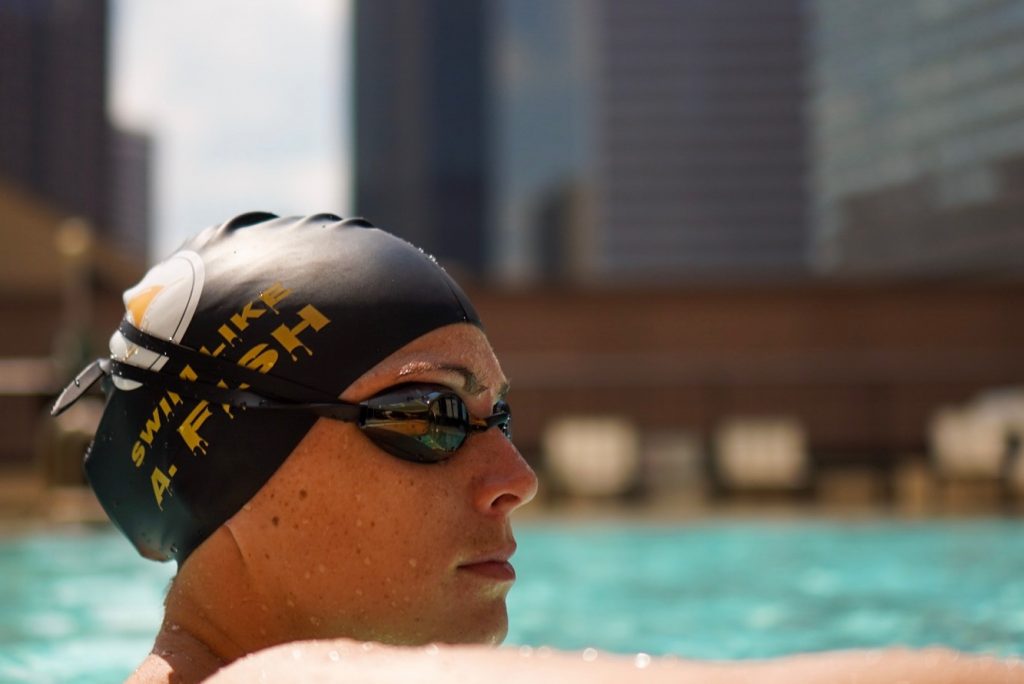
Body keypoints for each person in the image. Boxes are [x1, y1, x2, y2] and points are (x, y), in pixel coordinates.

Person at [54, 213, 1022, 684]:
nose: (516, 480)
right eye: (428, 414)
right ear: (231, 465)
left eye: (501, 419)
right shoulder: (281, 678)